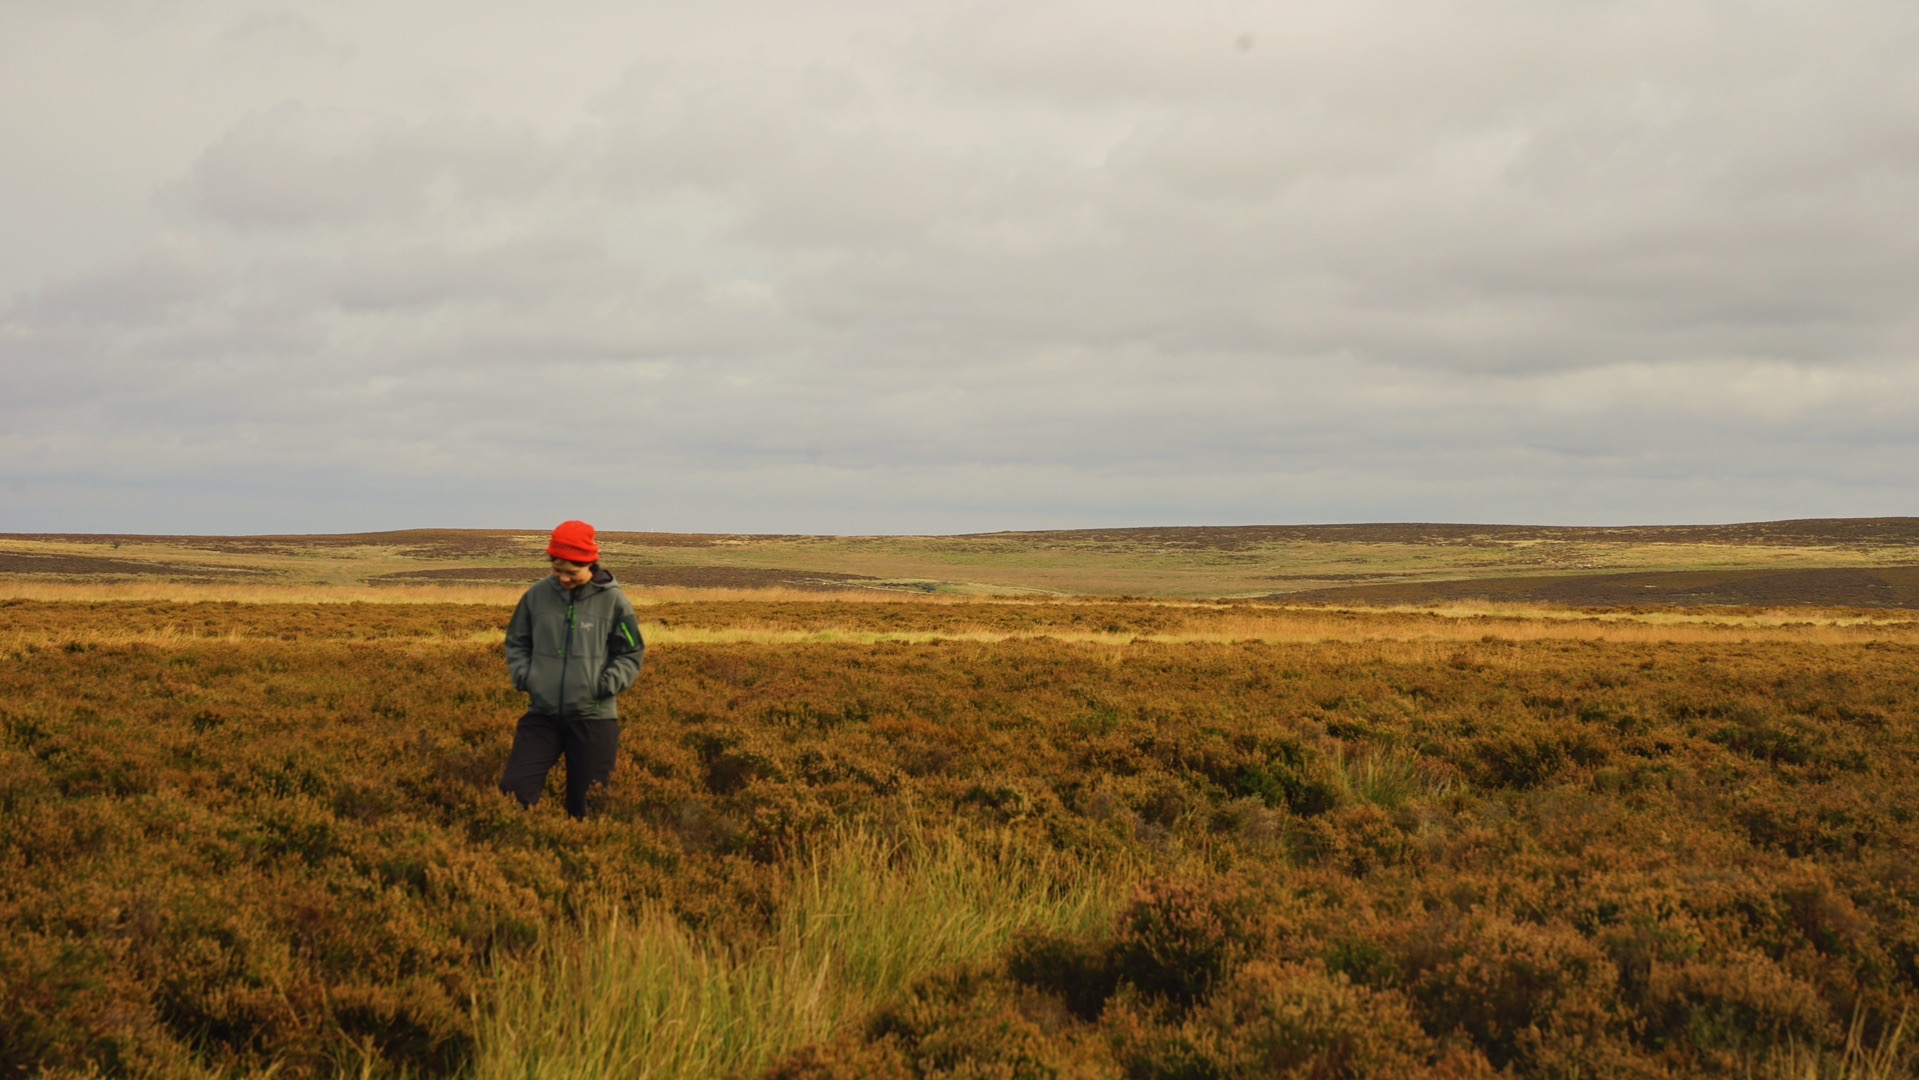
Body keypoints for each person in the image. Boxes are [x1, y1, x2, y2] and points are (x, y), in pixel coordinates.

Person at [499, 520, 646, 819]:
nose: (563, 578)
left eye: (572, 572)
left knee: (588, 807)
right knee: (514, 792)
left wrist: (603, 686)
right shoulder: (536, 596)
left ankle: (579, 855)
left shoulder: (614, 601)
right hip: (542, 714)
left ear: (590, 564)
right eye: (557, 570)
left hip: (594, 717)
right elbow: (516, 641)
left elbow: (630, 651)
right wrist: (526, 677)